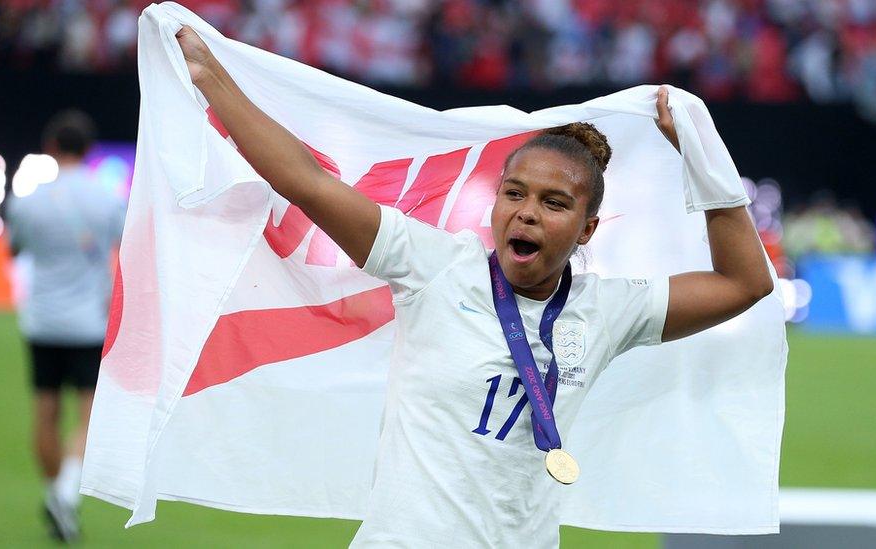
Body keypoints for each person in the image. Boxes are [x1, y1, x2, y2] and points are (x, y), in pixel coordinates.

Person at [175, 25, 774, 548]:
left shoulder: (611, 310)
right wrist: (213, 80)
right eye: (514, 193)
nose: (527, 213)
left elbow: (745, 282)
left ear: (588, 227)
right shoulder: (434, 265)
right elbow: (309, 184)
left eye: (554, 203)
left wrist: (705, 161)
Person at [4, 110, 126, 543]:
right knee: (89, 416)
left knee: (45, 413)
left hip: (41, 320)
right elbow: (124, 249)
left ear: (51, 148)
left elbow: (14, 251)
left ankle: (55, 494)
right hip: (88, 322)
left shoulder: (27, 199)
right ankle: (65, 496)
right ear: (90, 151)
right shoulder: (107, 198)